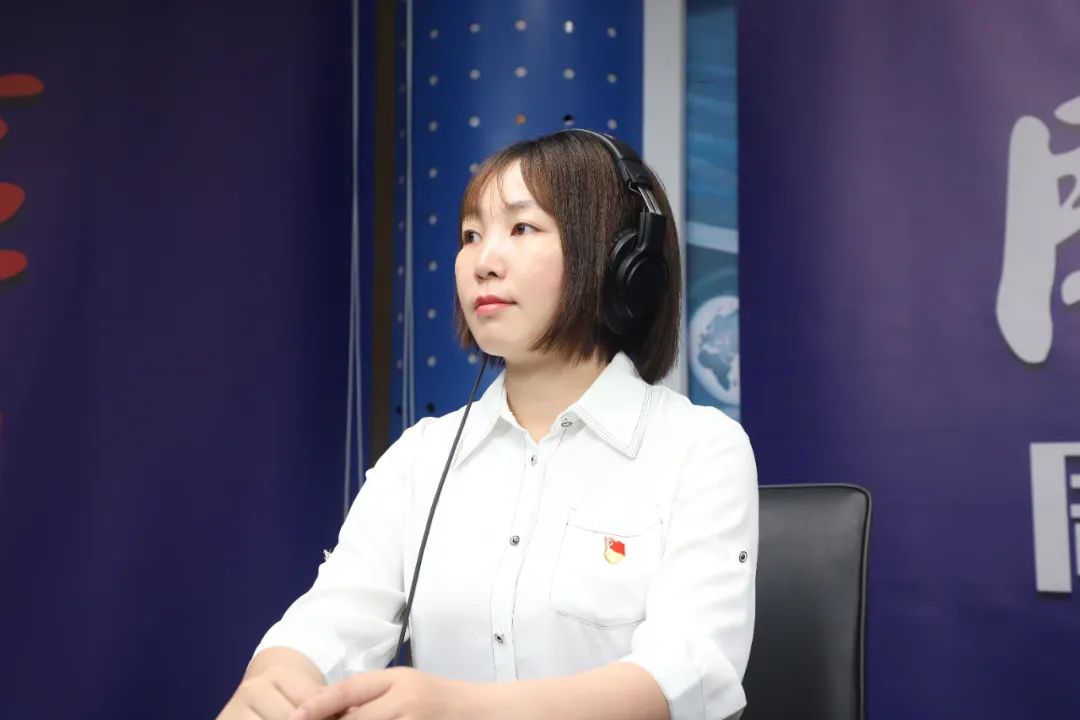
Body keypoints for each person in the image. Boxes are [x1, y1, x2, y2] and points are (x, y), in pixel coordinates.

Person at [217, 129, 758, 720]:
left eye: (521, 228)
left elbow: (689, 675)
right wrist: (278, 681)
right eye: (470, 236)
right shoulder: (422, 457)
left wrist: (466, 709)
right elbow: (333, 620)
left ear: (622, 262)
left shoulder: (700, 449)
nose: (483, 262)